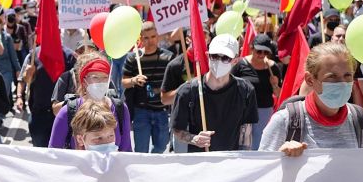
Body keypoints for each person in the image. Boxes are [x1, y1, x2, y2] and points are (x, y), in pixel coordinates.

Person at [260, 43, 363, 156]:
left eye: (347, 75)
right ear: (310, 80)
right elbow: (262, 170)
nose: (342, 83)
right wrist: (281, 156)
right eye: (332, 77)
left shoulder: (360, 120)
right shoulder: (284, 121)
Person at [172, 34, 258, 152]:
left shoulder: (245, 90)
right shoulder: (187, 91)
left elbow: (246, 132)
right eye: (215, 56)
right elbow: (177, 130)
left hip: (230, 162)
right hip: (198, 163)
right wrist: (194, 139)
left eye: (225, 58)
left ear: (235, 60)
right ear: (208, 55)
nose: (219, 61)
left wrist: (242, 161)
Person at [49, 57, 132, 151]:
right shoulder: (67, 111)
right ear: (84, 81)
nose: (101, 82)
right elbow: (53, 152)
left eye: (105, 77)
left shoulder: (120, 108)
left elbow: (126, 149)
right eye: (95, 77)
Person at [121, 22, 173, 153]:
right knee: (141, 150)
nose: (150, 41)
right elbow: (123, 82)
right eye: (146, 38)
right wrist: (134, 80)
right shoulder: (133, 58)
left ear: (158, 37)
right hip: (141, 111)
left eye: (153, 36)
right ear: (140, 39)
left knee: (162, 146)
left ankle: (152, 166)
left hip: (162, 111)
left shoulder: (168, 57)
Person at [16, 45, 75, 147]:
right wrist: (19, 96)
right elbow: (23, 79)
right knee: (40, 153)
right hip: (39, 114)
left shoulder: (69, 56)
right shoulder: (33, 55)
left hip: (63, 114)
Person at [231, 33, 281, 149]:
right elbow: (231, 86)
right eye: (259, 51)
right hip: (243, 109)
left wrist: (275, 85)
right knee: (242, 141)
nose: (262, 55)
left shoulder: (273, 68)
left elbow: (278, 94)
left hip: (263, 110)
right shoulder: (240, 65)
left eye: (266, 52)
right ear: (251, 48)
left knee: (259, 141)